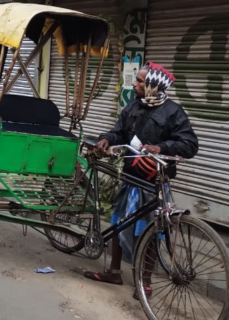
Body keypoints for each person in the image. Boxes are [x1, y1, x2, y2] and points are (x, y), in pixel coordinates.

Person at [83, 63, 199, 296]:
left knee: (153, 230)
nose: (134, 84)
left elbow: (190, 144)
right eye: (136, 80)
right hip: (130, 176)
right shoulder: (133, 106)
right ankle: (114, 272)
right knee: (119, 223)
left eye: (139, 81)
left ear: (154, 86)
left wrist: (161, 147)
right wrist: (107, 138)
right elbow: (119, 132)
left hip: (154, 181)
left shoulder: (173, 112)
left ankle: (144, 282)